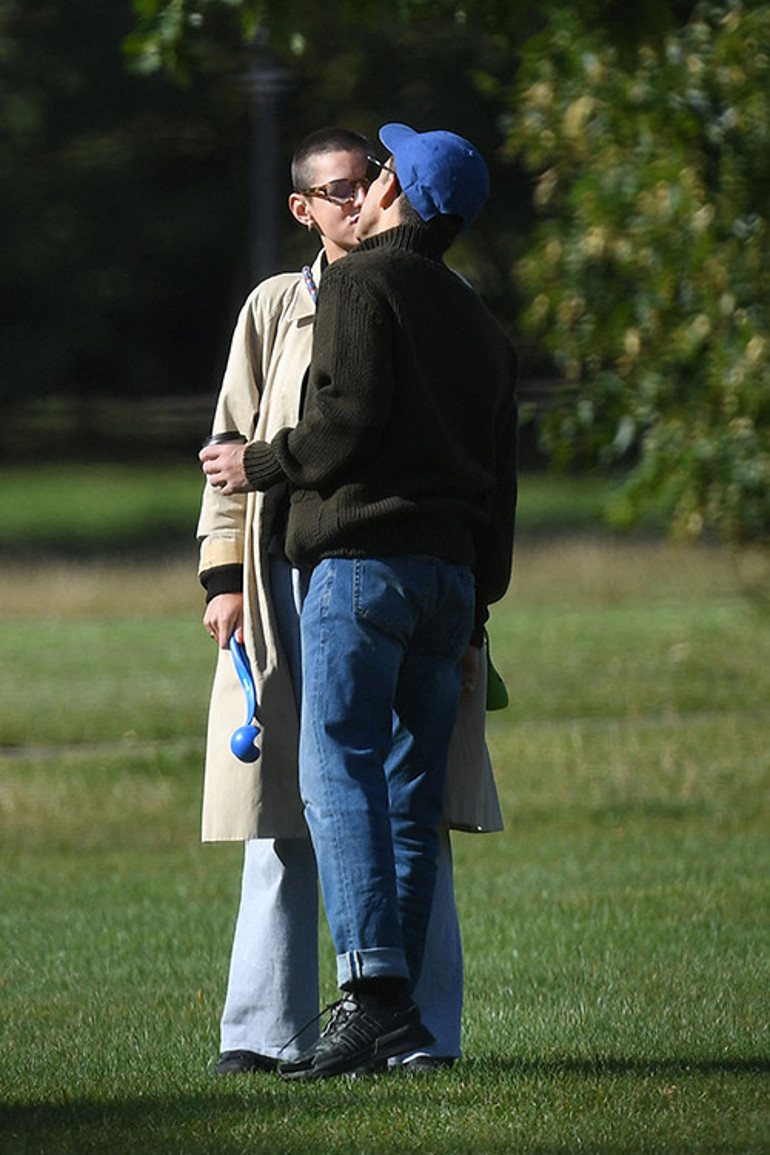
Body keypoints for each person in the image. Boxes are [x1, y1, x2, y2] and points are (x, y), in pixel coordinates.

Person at [201, 122, 518, 1081]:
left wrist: (260, 462)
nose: (362, 187)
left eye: (376, 174)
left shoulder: (359, 283)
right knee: (410, 794)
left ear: (393, 195)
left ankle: (373, 993)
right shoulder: (481, 321)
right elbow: (499, 483)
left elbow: (344, 423)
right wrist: (481, 610)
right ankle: (404, 1023)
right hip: (449, 581)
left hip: (358, 562)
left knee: (333, 767)